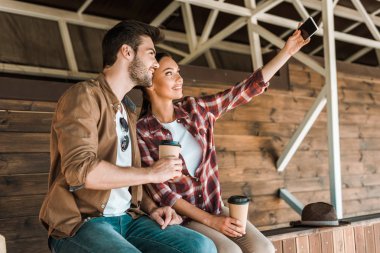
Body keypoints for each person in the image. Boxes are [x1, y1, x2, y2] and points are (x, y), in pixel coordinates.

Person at [39, 20, 217, 253]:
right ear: (126, 51)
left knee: (201, 246)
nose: (155, 63)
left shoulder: (128, 111)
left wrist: (152, 207)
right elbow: (79, 171)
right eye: (151, 54)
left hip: (128, 219)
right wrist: (152, 173)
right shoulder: (84, 96)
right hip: (82, 222)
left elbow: (122, 182)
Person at [137, 29, 310, 253]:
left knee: (264, 249)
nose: (180, 79)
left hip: (216, 209)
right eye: (170, 73)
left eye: (178, 72)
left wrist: (287, 52)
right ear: (150, 82)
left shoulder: (196, 110)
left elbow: (243, 90)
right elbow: (163, 193)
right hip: (183, 219)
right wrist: (212, 222)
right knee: (230, 251)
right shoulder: (142, 131)